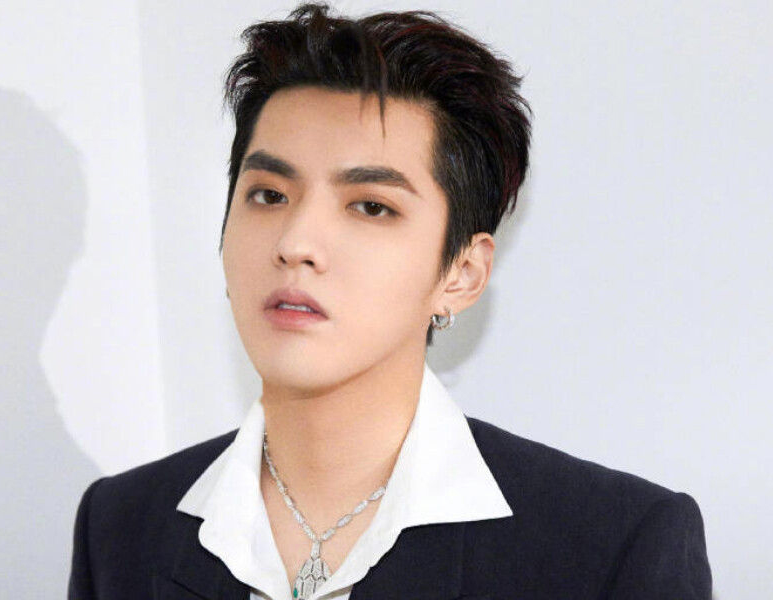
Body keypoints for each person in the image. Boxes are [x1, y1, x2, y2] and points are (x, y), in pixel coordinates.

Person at [67, 3, 712, 599]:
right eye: (269, 195)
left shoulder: (611, 548)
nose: (296, 244)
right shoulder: (120, 527)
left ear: (461, 273)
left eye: (371, 207)